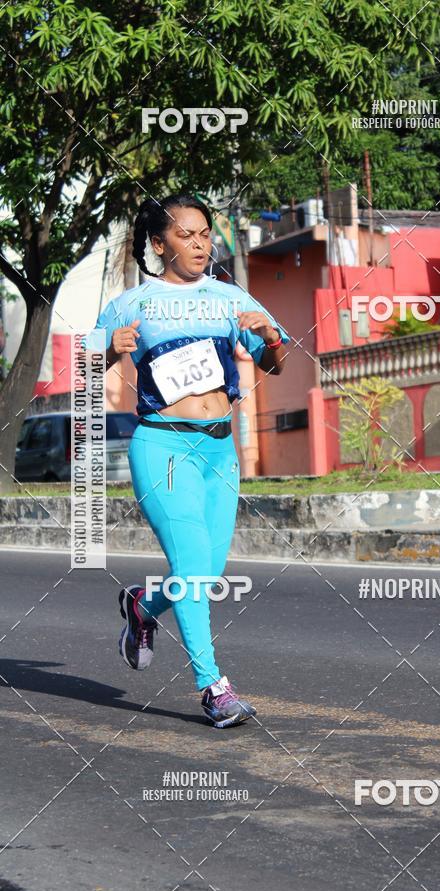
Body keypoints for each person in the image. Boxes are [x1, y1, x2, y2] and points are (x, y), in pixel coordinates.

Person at [88, 193, 289, 727]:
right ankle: (213, 688)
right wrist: (109, 348)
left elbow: (275, 364)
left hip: (219, 450)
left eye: (204, 234)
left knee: (205, 570)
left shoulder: (229, 297)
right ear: (159, 244)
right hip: (163, 446)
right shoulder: (133, 303)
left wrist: (270, 338)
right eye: (186, 235)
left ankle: (142, 608)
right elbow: (82, 367)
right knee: (195, 568)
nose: (200, 244)